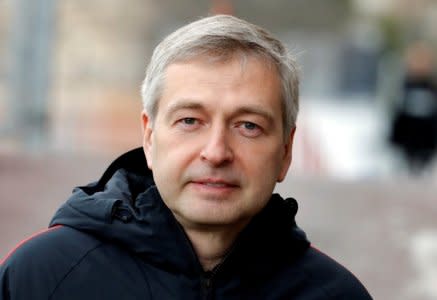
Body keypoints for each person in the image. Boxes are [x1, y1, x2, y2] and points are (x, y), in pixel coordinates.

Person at [0, 15, 372, 299]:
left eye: (248, 126)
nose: (216, 152)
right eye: (190, 120)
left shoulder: (336, 294)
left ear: (286, 151)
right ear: (149, 136)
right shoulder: (40, 278)